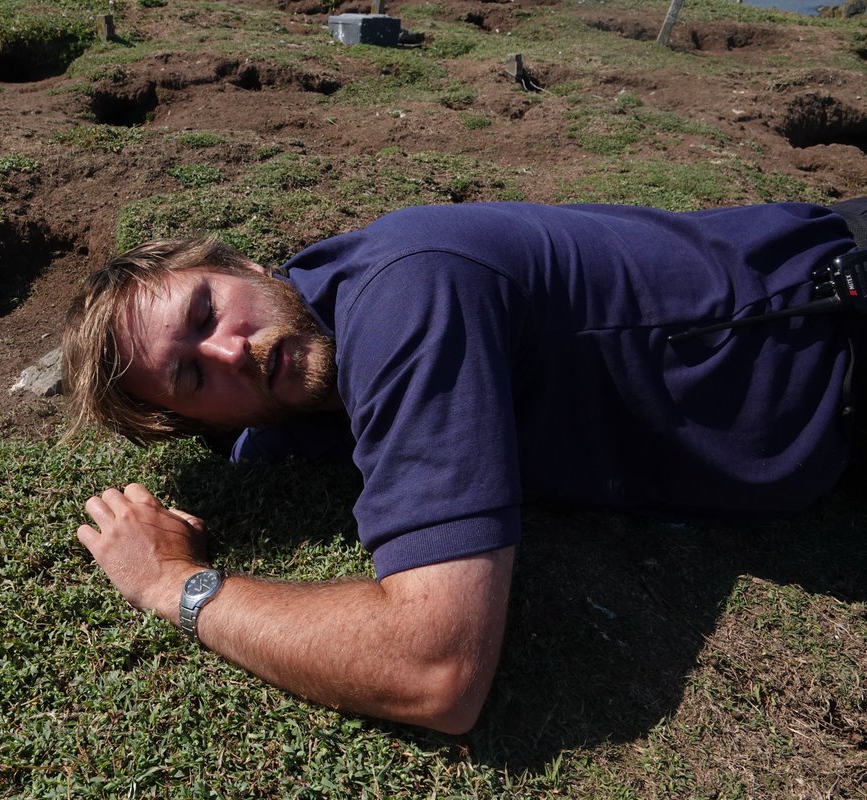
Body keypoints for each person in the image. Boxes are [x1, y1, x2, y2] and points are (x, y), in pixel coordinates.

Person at [60, 200, 867, 734]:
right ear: (189, 421)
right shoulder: (292, 388)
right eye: (195, 374)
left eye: (209, 309)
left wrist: (171, 583)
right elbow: (254, 439)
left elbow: (434, 667)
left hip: (843, 329)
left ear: (253, 269)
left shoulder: (406, 295)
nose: (233, 348)